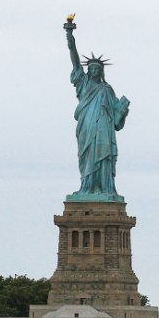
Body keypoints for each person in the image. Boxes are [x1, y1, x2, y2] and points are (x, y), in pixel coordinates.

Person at [64, 18, 130, 199]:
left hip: (103, 128)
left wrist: (122, 109)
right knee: (87, 156)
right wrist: (70, 35)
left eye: (96, 69)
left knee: (103, 156)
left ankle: (105, 189)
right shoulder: (83, 83)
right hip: (87, 125)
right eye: (91, 68)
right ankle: (87, 187)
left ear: (101, 72)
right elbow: (75, 60)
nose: (93, 71)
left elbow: (117, 118)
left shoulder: (106, 89)